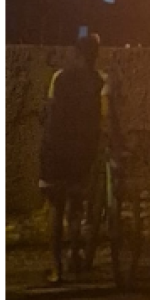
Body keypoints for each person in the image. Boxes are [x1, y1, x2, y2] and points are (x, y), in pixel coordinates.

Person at [39, 33, 115, 283]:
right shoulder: (101, 81)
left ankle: (55, 266)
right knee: (75, 207)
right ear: (95, 55)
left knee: (55, 208)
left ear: (76, 53)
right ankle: (74, 257)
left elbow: (50, 112)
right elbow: (105, 119)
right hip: (82, 151)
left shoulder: (59, 78)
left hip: (55, 148)